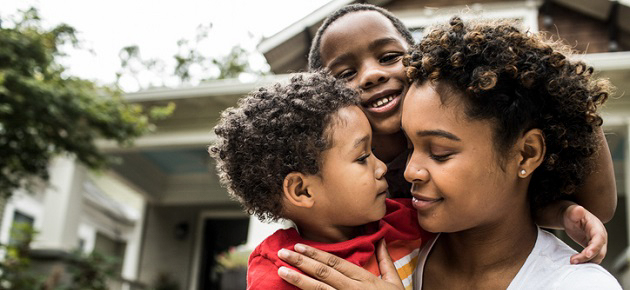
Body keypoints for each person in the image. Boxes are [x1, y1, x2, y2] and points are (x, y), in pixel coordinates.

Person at [276, 17, 622, 289]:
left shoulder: (577, 283)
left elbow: (598, 204)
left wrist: (561, 209)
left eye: (439, 152)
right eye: (410, 146)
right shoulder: (386, 250)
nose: (409, 171)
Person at [209, 72, 432, 289]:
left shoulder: (407, 221)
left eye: (372, 150)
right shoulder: (282, 273)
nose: (382, 167)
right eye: (363, 157)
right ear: (302, 191)